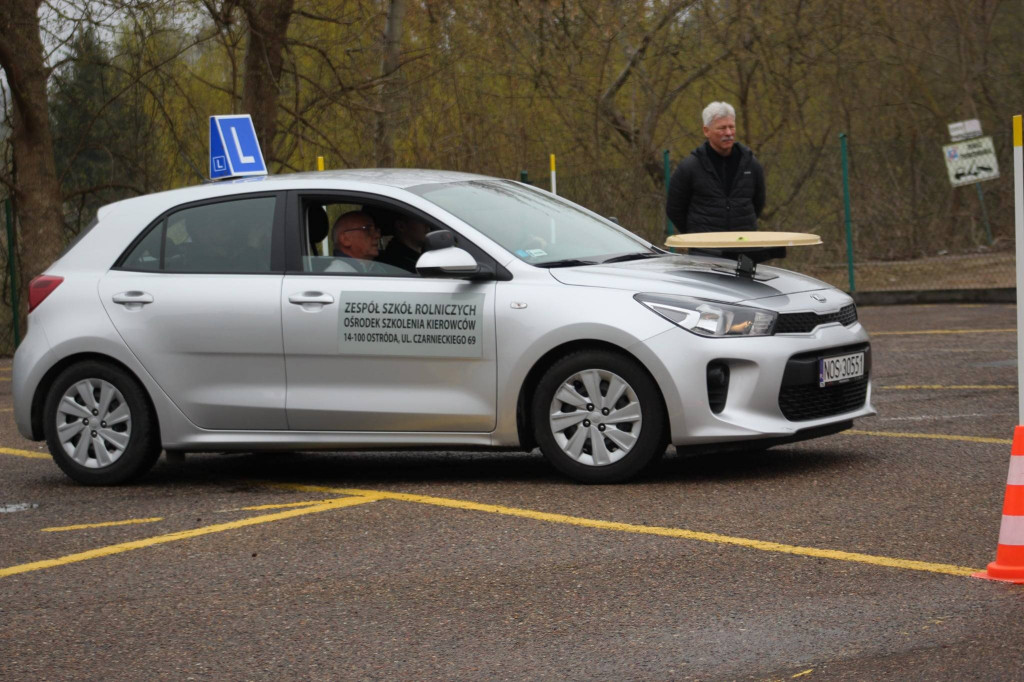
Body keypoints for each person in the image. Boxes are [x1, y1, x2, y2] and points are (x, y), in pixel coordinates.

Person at [666, 101, 766, 234]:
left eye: (732, 127)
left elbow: (758, 203)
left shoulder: (751, 164)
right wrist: (697, 236)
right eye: (722, 128)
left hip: (744, 247)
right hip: (704, 250)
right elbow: (674, 208)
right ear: (706, 131)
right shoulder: (689, 167)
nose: (729, 133)